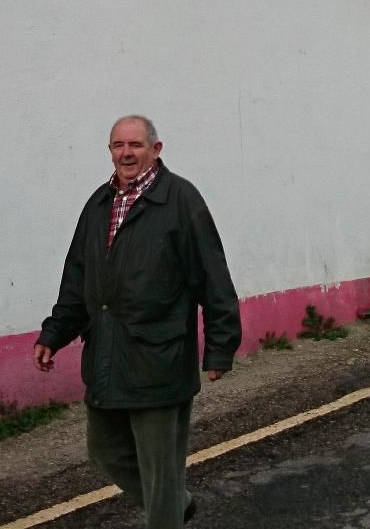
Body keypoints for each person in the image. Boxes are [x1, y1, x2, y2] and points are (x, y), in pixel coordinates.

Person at [34, 115, 241, 528]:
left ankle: (168, 511)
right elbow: (77, 278)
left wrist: (220, 347)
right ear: (110, 150)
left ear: (155, 149)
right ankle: (176, 506)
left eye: (136, 145)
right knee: (105, 451)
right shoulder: (98, 204)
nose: (126, 153)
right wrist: (54, 333)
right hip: (106, 356)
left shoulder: (181, 200)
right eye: (118, 145)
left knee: (160, 472)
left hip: (160, 358)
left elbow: (212, 277)